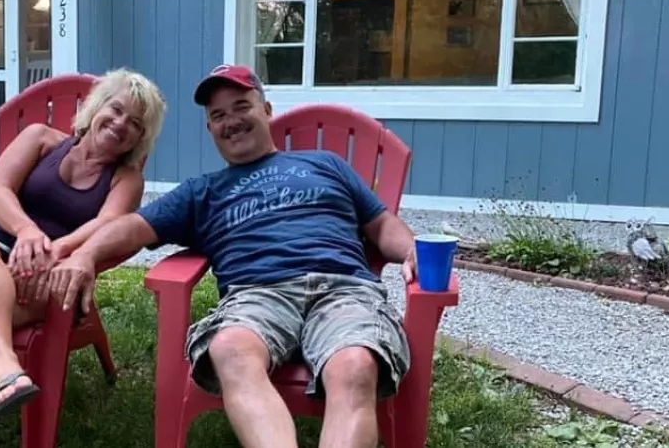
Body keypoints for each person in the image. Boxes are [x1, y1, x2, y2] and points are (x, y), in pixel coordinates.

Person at [47, 65, 418, 448]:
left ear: (267, 110)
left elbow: (381, 224)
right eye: (218, 116)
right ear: (210, 129)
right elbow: (134, 227)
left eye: (241, 107)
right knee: (230, 350)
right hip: (258, 294)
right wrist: (86, 254)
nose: (231, 121)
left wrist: (413, 251)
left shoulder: (325, 165)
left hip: (343, 288)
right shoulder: (203, 192)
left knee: (354, 366)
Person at [0, 68, 166, 448]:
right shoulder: (39, 138)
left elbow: (107, 224)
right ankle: (5, 364)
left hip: (42, 274)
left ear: (141, 137)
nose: (120, 124)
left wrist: (53, 251)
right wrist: (27, 231)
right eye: (115, 110)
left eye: (134, 123)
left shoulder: (126, 179)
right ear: (96, 107)